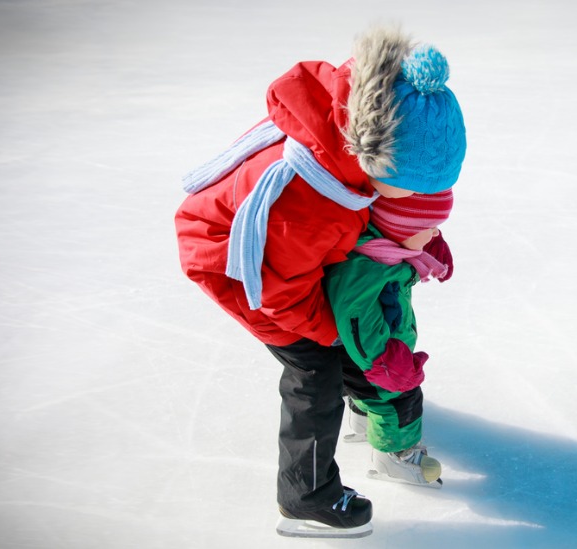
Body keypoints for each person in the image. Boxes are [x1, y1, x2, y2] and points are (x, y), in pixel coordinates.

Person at [173, 24, 465, 539]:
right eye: (409, 190)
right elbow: (281, 291)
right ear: (377, 160)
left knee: (349, 337)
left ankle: (362, 412)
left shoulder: (353, 135)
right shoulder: (311, 201)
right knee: (316, 373)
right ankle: (306, 498)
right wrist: (334, 337)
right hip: (241, 267)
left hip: (293, 255)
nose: (410, 203)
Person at [325, 190, 454, 488]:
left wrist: (429, 244)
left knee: (375, 394)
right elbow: (356, 322)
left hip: (376, 348)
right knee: (398, 398)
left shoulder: (385, 250)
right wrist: (381, 364)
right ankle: (395, 456)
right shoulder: (366, 268)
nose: (435, 232)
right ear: (401, 229)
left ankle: (364, 420)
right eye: (429, 228)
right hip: (367, 354)